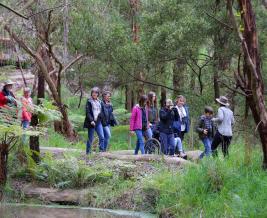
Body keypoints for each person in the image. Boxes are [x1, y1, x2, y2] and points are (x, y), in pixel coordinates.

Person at [83, 87, 105, 154]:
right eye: (93, 92)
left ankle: (101, 151)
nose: (94, 94)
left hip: (98, 122)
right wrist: (91, 120)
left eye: (96, 92)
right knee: (91, 138)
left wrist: (101, 118)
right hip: (91, 122)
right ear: (91, 93)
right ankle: (88, 152)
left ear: (98, 94)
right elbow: (88, 112)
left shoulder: (100, 102)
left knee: (102, 137)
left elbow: (101, 111)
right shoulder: (89, 101)